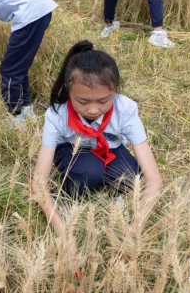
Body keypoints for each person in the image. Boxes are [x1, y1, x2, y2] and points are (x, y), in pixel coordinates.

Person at [31, 40, 162, 263]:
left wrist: (135, 229)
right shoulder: (57, 115)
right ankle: (66, 192)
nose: (93, 109)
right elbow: (37, 183)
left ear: (115, 91)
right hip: (72, 150)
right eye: (82, 101)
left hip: (110, 148)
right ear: (69, 92)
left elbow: (154, 180)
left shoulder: (126, 110)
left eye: (104, 100)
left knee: (132, 180)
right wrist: (63, 232)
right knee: (90, 173)